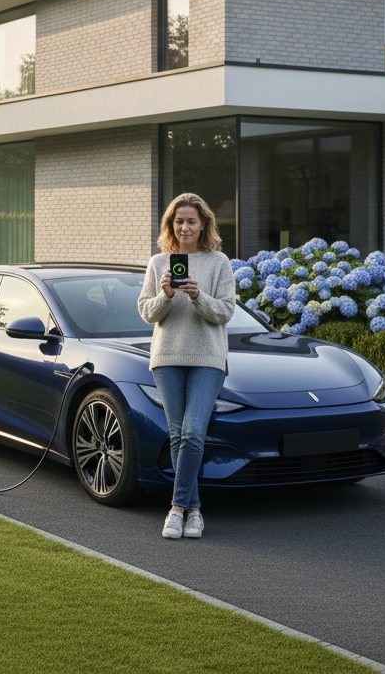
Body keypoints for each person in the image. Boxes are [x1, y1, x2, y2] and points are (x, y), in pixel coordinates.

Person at [137, 192, 236, 540]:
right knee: (177, 435)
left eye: (191, 221)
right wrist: (165, 294)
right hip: (167, 357)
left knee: (193, 432)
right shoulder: (158, 262)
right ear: (170, 224)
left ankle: (176, 508)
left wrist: (198, 296)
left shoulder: (219, 262)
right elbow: (147, 313)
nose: (185, 227)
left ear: (203, 223)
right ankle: (193, 510)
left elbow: (225, 312)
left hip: (208, 357)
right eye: (178, 221)